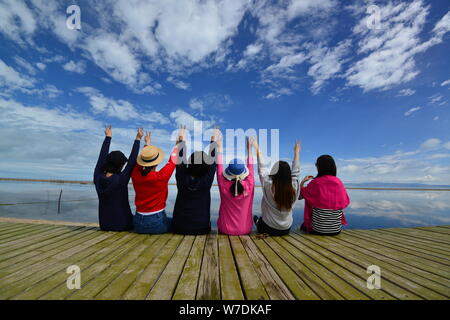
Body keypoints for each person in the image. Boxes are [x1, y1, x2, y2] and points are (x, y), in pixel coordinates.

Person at [131, 128, 182, 234]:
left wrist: (146, 144)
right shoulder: (160, 177)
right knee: (178, 224)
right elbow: (172, 161)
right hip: (156, 222)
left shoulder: (135, 174)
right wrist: (177, 145)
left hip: (138, 223)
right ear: (157, 162)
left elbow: (141, 161)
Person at [94, 125, 144, 231]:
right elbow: (132, 161)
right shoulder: (121, 180)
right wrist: (138, 139)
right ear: (120, 166)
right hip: (124, 225)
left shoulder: (97, 178)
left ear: (106, 163)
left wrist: (108, 137)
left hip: (105, 225)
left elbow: (101, 158)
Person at [172, 127, 219, 235]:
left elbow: (180, 159)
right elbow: (213, 159)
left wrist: (181, 141)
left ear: (190, 163)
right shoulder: (206, 180)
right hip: (201, 228)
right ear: (206, 166)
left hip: (178, 227)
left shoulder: (182, 176)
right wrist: (213, 140)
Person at [253, 139, 301, 236]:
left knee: (255, 218)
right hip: (286, 229)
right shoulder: (294, 187)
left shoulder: (268, 185)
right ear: (289, 174)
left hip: (267, 228)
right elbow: (296, 170)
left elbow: (262, 168)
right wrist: (296, 151)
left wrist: (257, 148)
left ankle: (258, 222)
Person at [299, 155, 350, 235]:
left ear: (319, 167)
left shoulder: (315, 182)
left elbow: (300, 196)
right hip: (336, 230)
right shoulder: (338, 182)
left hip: (318, 230)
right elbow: (346, 201)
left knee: (303, 226)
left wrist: (302, 182)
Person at [216, 136, 255, 235]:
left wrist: (219, 149)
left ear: (228, 173)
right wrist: (249, 149)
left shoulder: (223, 184)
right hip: (245, 230)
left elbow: (219, 166)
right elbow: (251, 166)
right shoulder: (249, 184)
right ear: (244, 173)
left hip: (225, 229)